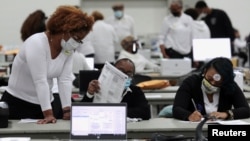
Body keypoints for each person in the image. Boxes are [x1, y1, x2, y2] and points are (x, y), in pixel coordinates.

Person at [0, 5, 94, 124]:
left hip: (44, 103)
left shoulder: (67, 49)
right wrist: (48, 114)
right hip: (18, 103)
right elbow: (40, 80)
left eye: (80, 40)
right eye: (76, 38)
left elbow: (64, 79)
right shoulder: (36, 43)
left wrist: (67, 110)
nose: (76, 44)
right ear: (64, 30)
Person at [173, 57, 250, 121]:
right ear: (205, 71)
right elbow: (177, 109)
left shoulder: (229, 85)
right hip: (195, 130)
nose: (212, 83)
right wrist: (189, 116)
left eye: (218, 82)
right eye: (209, 79)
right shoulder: (191, 83)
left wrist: (226, 114)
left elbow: (246, 110)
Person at [81, 58, 151, 120]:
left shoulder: (135, 91)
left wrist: (115, 111)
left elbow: (146, 112)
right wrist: (89, 94)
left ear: (132, 77)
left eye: (129, 74)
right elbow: (81, 111)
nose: (124, 76)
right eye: (121, 71)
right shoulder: (98, 86)